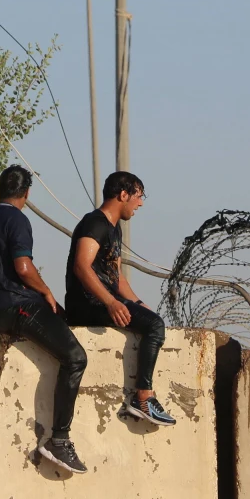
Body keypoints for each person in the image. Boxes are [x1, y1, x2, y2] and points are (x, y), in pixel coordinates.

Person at [0, 166, 89, 474]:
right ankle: (60, 440)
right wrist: (47, 292)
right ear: (26, 194)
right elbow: (24, 268)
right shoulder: (18, 219)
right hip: (17, 306)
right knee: (76, 358)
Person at [65, 171, 176, 426]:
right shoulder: (95, 223)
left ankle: (144, 398)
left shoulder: (114, 230)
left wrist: (136, 303)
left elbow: (116, 278)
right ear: (123, 194)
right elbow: (82, 267)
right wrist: (110, 302)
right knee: (155, 326)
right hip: (87, 305)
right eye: (139, 196)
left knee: (153, 321)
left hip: (103, 301)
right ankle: (143, 398)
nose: (141, 203)